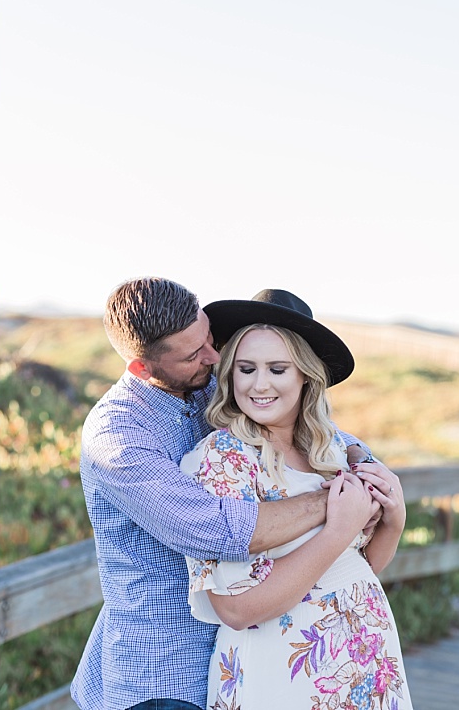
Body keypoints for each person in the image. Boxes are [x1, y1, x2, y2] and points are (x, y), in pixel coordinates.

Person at [71, 277, 374, 710]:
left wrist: (362, 460)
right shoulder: (117, 435)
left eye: (209, 337)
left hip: (246, 657)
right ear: (141, 368)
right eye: (194, 353)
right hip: (165, 676)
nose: (214, 357)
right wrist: (337, 501)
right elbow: (219, 529)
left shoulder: (207, 386)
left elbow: (300, 423)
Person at [180, 289, 411, 709]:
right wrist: (338, 528)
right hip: (283, 670)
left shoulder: (332, 450)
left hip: (365, 662)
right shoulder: (222, 459)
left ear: (306, 375)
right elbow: (236, 609)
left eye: (278, 369)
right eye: (246, 369)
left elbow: (358, 568)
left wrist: (394, 518)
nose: (259, 384)